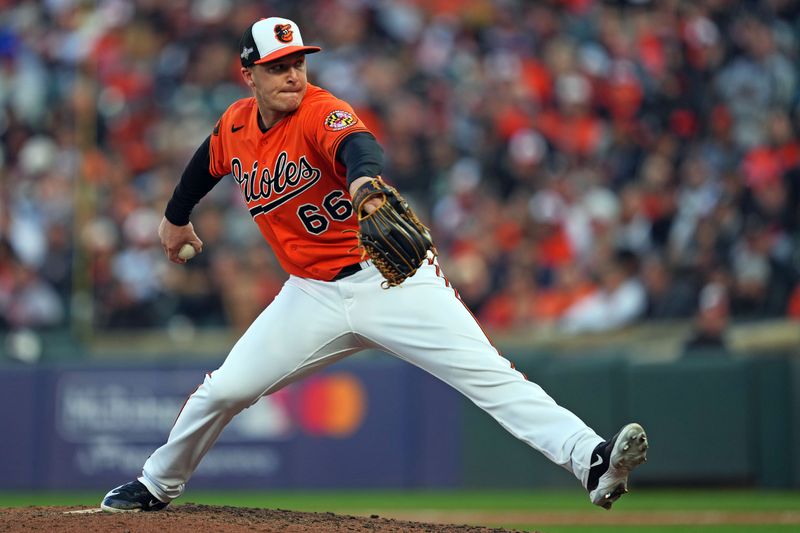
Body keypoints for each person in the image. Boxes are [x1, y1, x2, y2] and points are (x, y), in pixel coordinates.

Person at [100, 16, 648, 513]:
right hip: (311, 294)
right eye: (277, 66)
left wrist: (364, 186)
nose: (292, 75)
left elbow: (358, 147)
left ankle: (592, 461)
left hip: (392, 279)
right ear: (249, 74)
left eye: (297, 62)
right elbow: (205, 163)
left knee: (491, 377)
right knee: (223, 390)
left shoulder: (320, 109)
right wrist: (175, 217)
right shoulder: (236, 125)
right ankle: (156, 484)